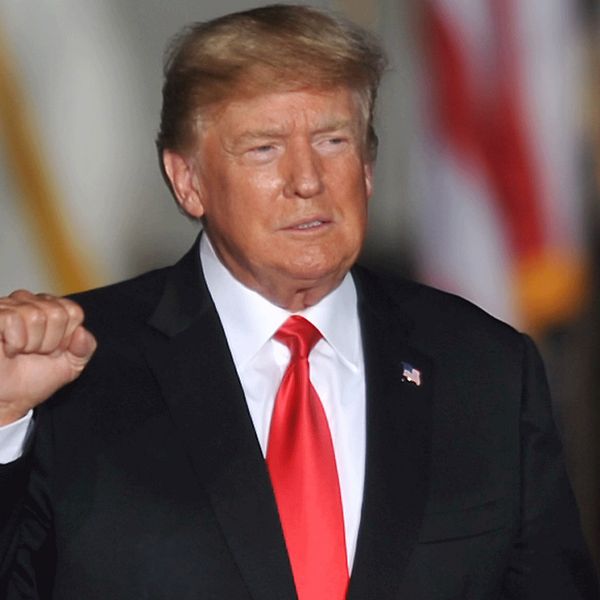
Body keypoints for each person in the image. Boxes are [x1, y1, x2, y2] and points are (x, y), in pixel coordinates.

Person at [0, 4, 597, 599]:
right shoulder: (72, 371)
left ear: (366, 168)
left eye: (332, 140)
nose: (307, 179)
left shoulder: (486, 368)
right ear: (188, 181)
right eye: (263, 148)